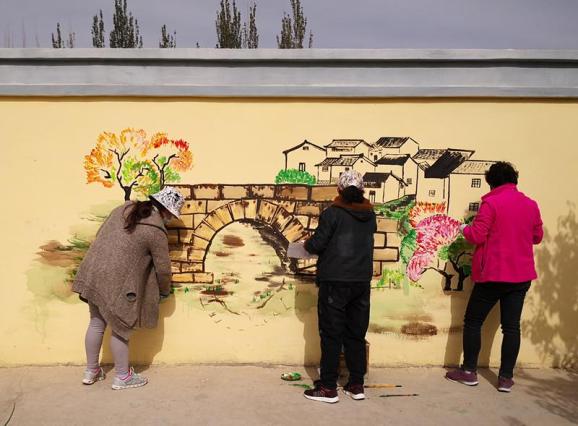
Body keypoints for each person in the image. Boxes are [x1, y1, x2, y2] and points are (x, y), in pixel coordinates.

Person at [72, 187, 184, 390]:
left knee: (96, 324)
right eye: (172, 215)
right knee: (121, 328)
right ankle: (123, 377)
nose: (171, 219)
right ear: (166, 211)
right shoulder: (156, 230)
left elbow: (101, 233)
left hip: (94, 271)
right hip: (117, 281)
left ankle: (91, 371)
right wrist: (164, 290)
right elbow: (163, 269)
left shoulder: (124, 209)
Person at [445, 162, 543, 392]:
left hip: (493, 274)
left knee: (473, 321)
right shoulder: (530, 205)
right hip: (520, 276)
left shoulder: (491, 203)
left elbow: (477, 235)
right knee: (511, 327)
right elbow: (537, 237)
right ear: (514, 180)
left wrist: (462, 228)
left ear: (491, 182)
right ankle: (506, 378)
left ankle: (469, 371)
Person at [302, 170, 377, 403]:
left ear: (339, 190)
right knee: (355, 333)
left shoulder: (332, 213)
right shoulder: (370, 215)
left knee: (332, 334)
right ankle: (356, 384)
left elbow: (317, 244)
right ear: (362, 190)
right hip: (361, 282)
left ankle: (327, 387)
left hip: (335, 281)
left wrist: (306, 243)